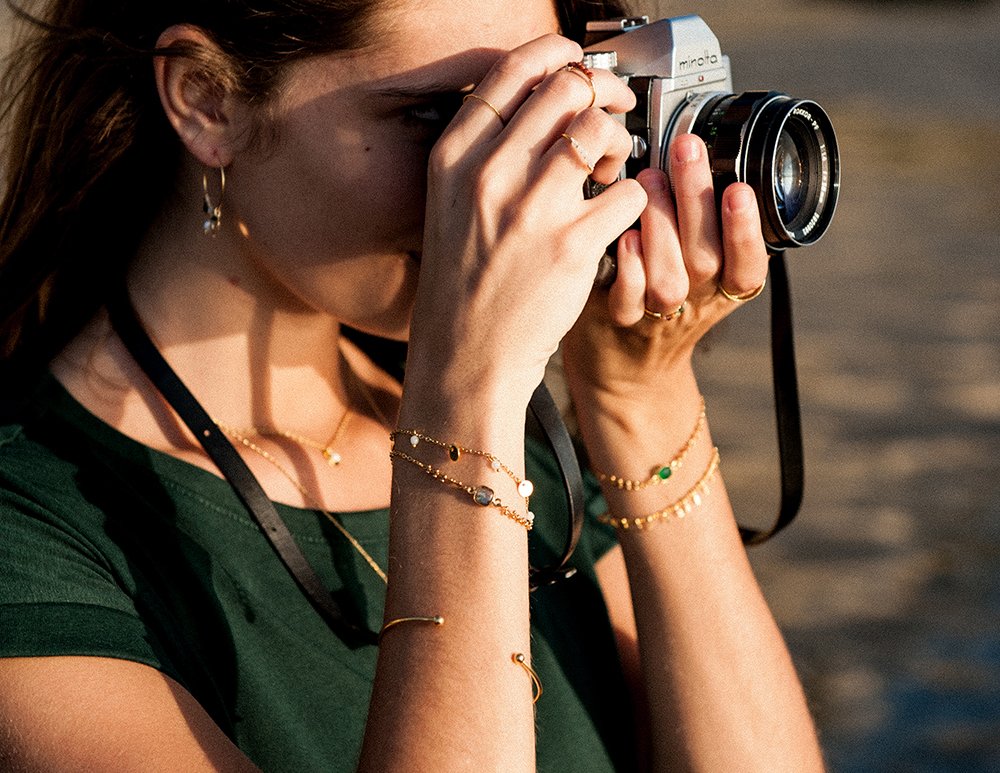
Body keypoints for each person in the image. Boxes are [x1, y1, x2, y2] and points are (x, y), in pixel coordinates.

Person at [0, 0, 825, 769]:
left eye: (552, 105)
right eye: (445, 115)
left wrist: (636, 399)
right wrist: (465, 401)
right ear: (207, 100)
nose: (511, 178)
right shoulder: (28, 531)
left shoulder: (528, 444)